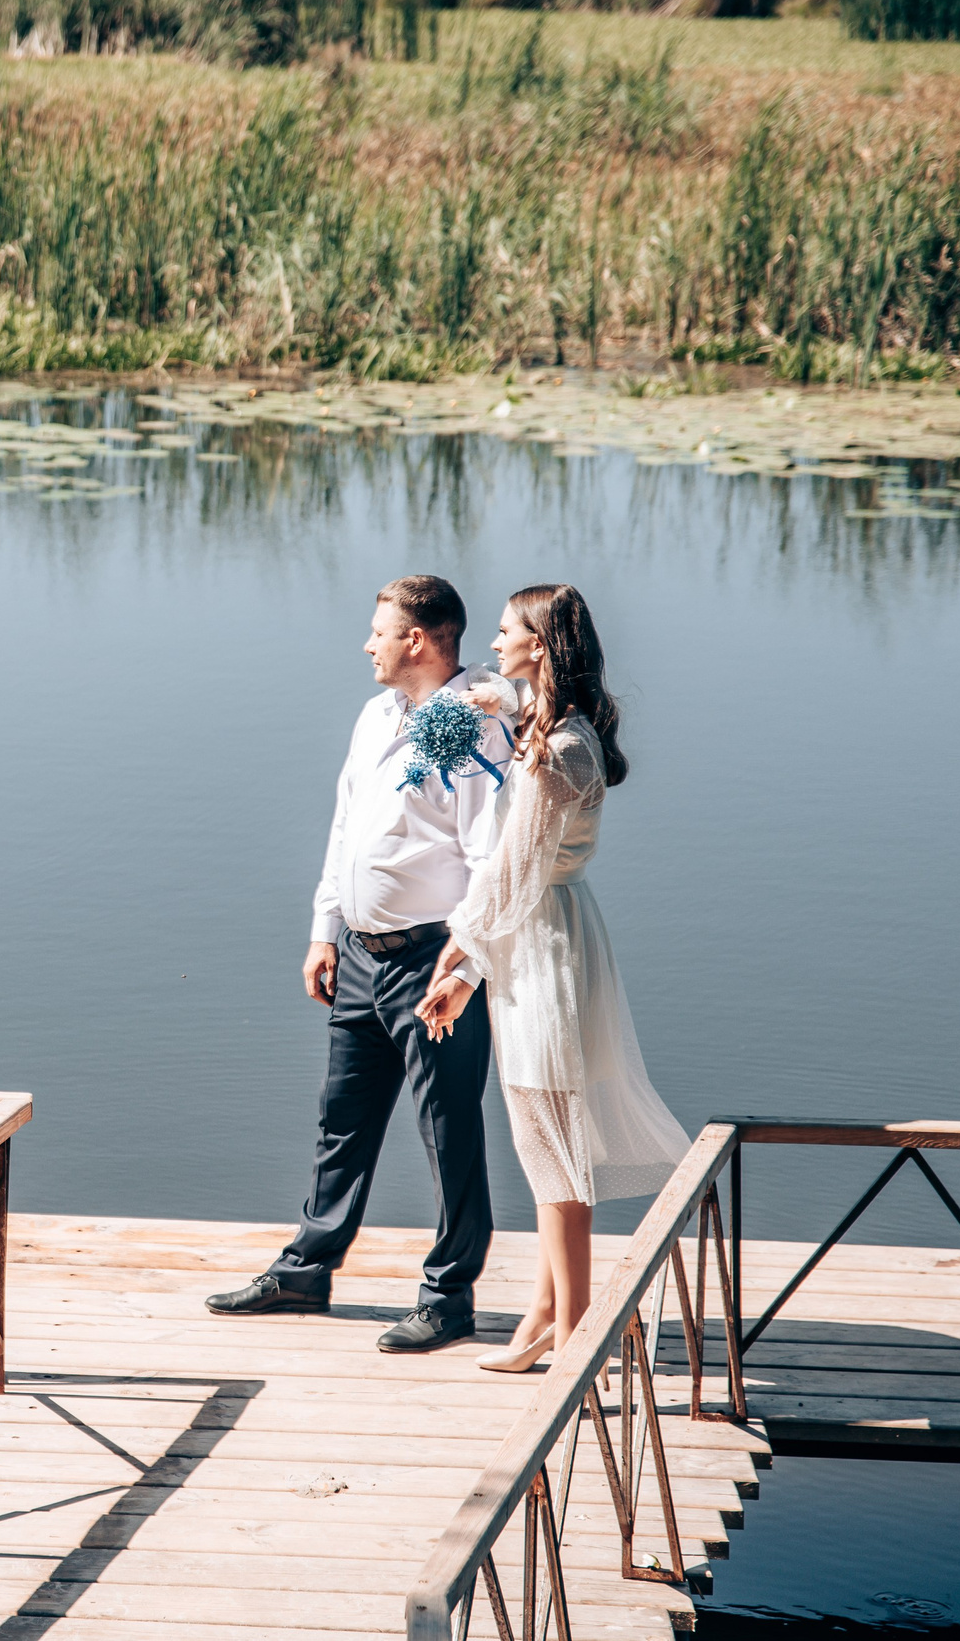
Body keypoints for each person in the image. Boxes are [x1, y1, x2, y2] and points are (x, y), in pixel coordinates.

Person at [207, 575, 517, 1355]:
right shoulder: (377, 714)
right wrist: (325, 929)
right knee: (341, 1118)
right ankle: (306, 1269)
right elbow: (346, 826)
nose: (367, 644)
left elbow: (488, 855)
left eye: (379, 631)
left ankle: (448, 1297)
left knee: (448, 1128)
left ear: (416, 639)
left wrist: (464, 966)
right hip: (357, 954)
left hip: (430, 960)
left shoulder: (475, 721)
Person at [417, 584, 690, 1373]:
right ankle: (543, 1313)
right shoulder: (553, 724)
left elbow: (513, 872)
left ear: (538, 643)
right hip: (537, 936)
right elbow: (510, 699)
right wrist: (491, 700)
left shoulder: (560, 750)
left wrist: (460, 960)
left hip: (542, 948)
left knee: (555, 1149)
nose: (492, 642)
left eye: (506, 630)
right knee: (542, 1141)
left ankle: (576, 1339)